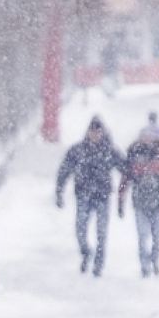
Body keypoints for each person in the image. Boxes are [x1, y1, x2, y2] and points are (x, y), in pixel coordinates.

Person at [55, 117, 127, 277]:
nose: (95, 135)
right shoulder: (78, 150)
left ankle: (99, 263)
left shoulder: (109, 150)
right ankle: (86, 252)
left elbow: (125, 168)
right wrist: (59, 191)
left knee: (101, 232)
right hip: (83, 195)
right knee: (80, 229)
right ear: (88, 132)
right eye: (92, 132)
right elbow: (64, 171)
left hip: (102, 195)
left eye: (97, 132)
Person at [119, 131, 159, 277]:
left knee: (157, 237)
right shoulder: (134, 156)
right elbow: (125, 179)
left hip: (157, 203)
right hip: (140, 204)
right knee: (143, 236)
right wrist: (121, 199)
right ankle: (145, 265)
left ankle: (154, 261)